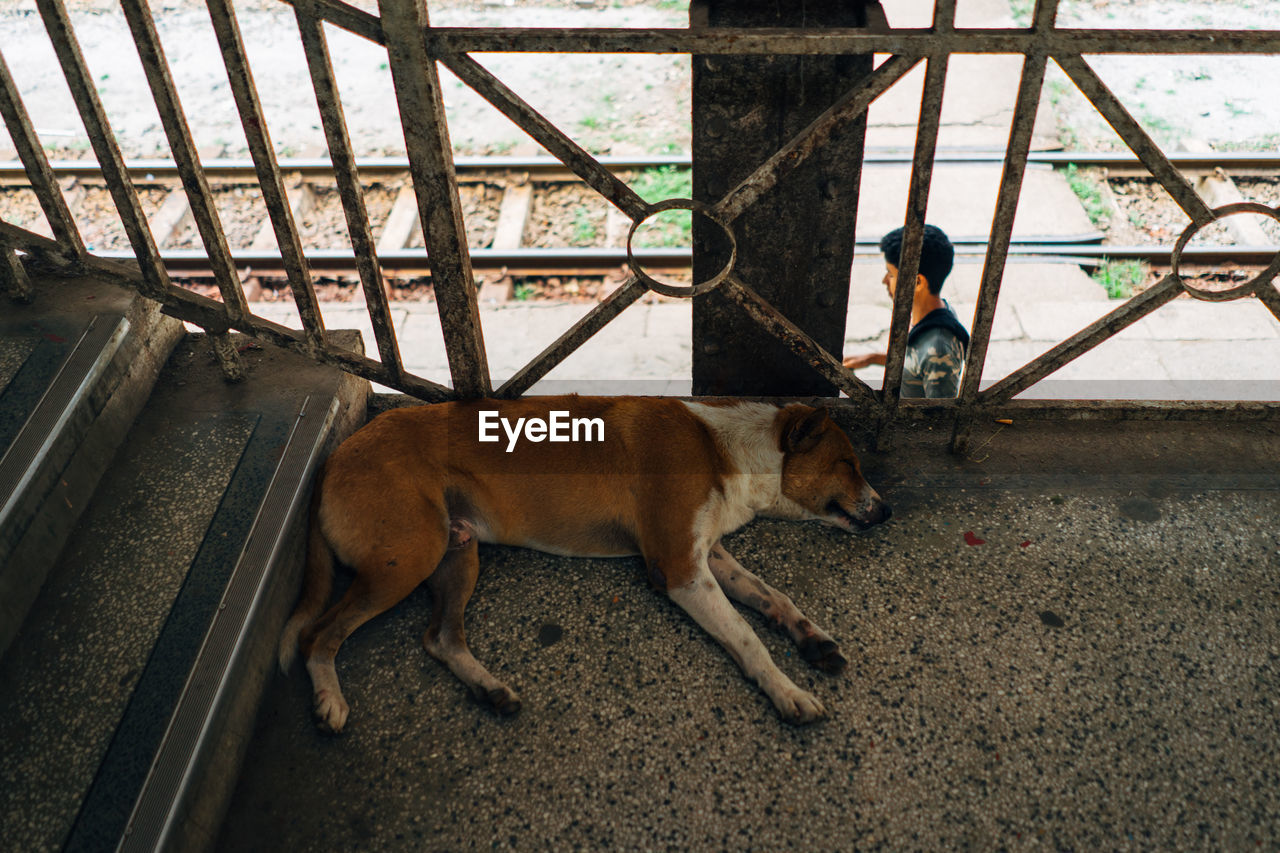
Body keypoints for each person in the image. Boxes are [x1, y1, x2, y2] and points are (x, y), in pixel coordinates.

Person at [843, 224, 970, 398]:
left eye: (891, 274)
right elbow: (915, 358)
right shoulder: (934, 313)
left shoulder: (939, 350)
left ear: (917, 282)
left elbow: (939, 418)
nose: (884, 281)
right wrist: (872, 358)